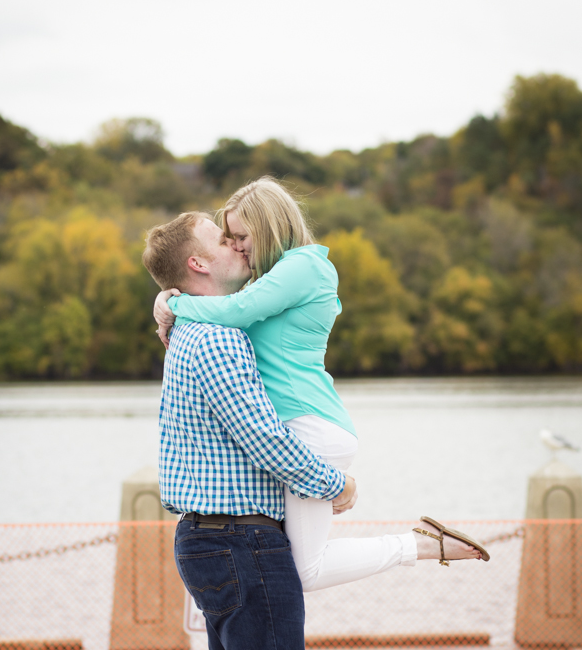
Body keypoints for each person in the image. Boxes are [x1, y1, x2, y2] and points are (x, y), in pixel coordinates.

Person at [143, 210, 356, 650]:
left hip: (210, 540)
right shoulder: (218, 338)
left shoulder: (192, 329)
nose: (237, 245)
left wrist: (168, 303)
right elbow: (263, 435)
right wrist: (333, 483)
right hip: (242, 543)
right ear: (199, 265)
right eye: (221, 239)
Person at [153, 177, 490, 585]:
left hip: (310, 427)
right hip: (304, 424)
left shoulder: (305, 266)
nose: (237, 245)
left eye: (241, 236)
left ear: (269, 227)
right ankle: (419, 544)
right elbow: (224, 307)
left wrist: (173, 302)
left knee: (303, 571)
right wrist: (167, 301)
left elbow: (237, 310)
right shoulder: (272, 277)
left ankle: (420, 546)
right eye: (230, 238)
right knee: (298, 562)